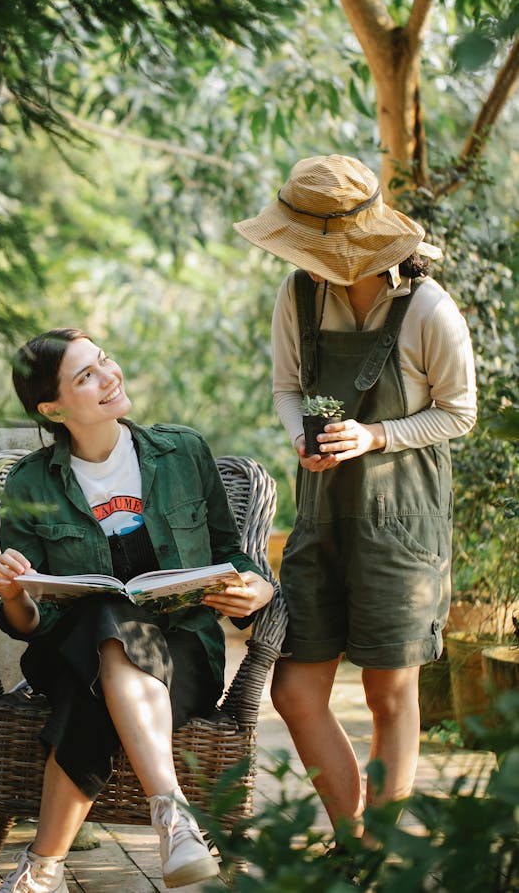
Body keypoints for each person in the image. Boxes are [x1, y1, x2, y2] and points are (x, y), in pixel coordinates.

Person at [234, 154, 477, 844]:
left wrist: (375, 435)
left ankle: (376, 849)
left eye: (311, 247)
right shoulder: (298, 294)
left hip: (403, 523)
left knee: (387, 690)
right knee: (295, 689)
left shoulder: (428, 307)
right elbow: (287, 388)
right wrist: (298, 437)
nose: (301, 260)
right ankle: (352, 832)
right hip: (320, 517)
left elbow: (460, 412)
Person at [0, 328, 274, 893]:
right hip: (68, 652)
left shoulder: (183, 452)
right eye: (85, 376)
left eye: (104, 360)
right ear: (52, 407)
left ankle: (41, 869)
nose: (109, 374)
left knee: (89, 697)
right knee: (103, 621)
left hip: (184, 654)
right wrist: (13, 594)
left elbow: (232, 552)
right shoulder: (29, 483)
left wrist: (258, 589)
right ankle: (173, 817)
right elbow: (29, 626)